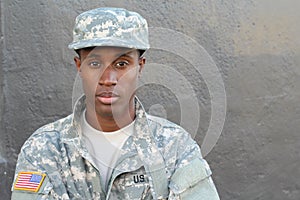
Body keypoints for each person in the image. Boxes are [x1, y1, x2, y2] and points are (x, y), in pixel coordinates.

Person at [11, 7, 220, 199]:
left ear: (140, 67)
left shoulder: (175, 147)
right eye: (94, 63)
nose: (108, 78)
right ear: (79, 66)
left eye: (122, 64)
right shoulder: (43, 149)